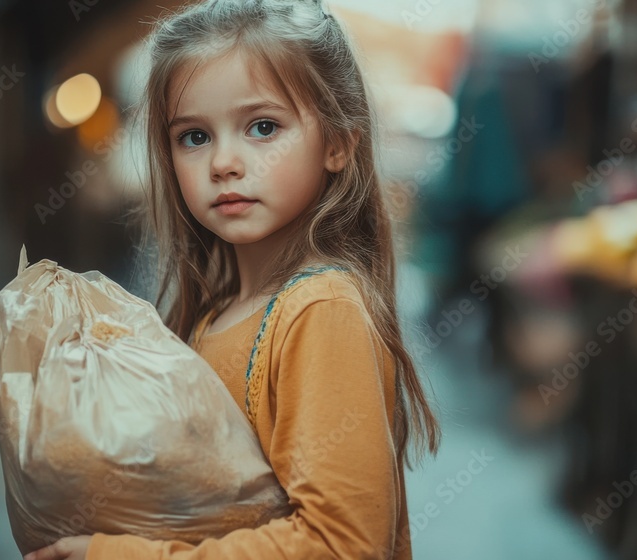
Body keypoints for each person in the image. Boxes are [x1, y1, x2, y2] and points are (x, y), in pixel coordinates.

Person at [22, 1, 440, 559]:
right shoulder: (217, 311)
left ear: (339, 142)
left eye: (262, 127)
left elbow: (343, 545)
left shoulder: (320, 309)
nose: (223, 162)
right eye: (193, 137)